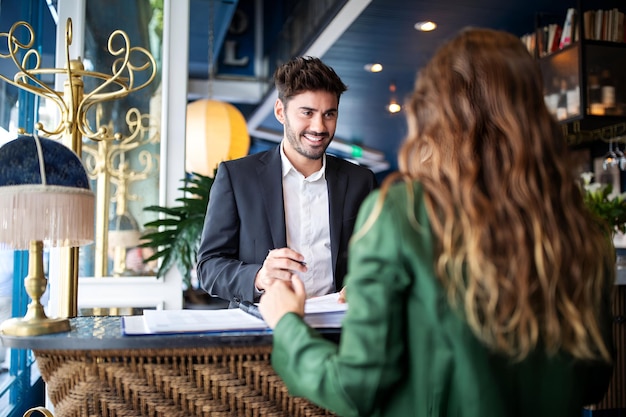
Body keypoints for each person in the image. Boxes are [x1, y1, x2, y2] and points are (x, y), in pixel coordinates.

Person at [258, 28, 615, 417]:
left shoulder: (401, 212)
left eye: (328, 113)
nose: (320, 124)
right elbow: (593, 380)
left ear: (437, 113)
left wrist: (288, 324)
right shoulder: (584, 231)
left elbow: (356, 389)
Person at [196, 56, 377, 307]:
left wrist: (365, 282)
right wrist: (259, 277)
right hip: (262, 334)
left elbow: (378, 259)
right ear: (281, 112)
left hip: (341, 333)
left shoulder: (361, 181)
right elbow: (209, 267)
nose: (319, 126)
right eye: (307, 113)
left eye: (329, 114)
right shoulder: (238, 178)